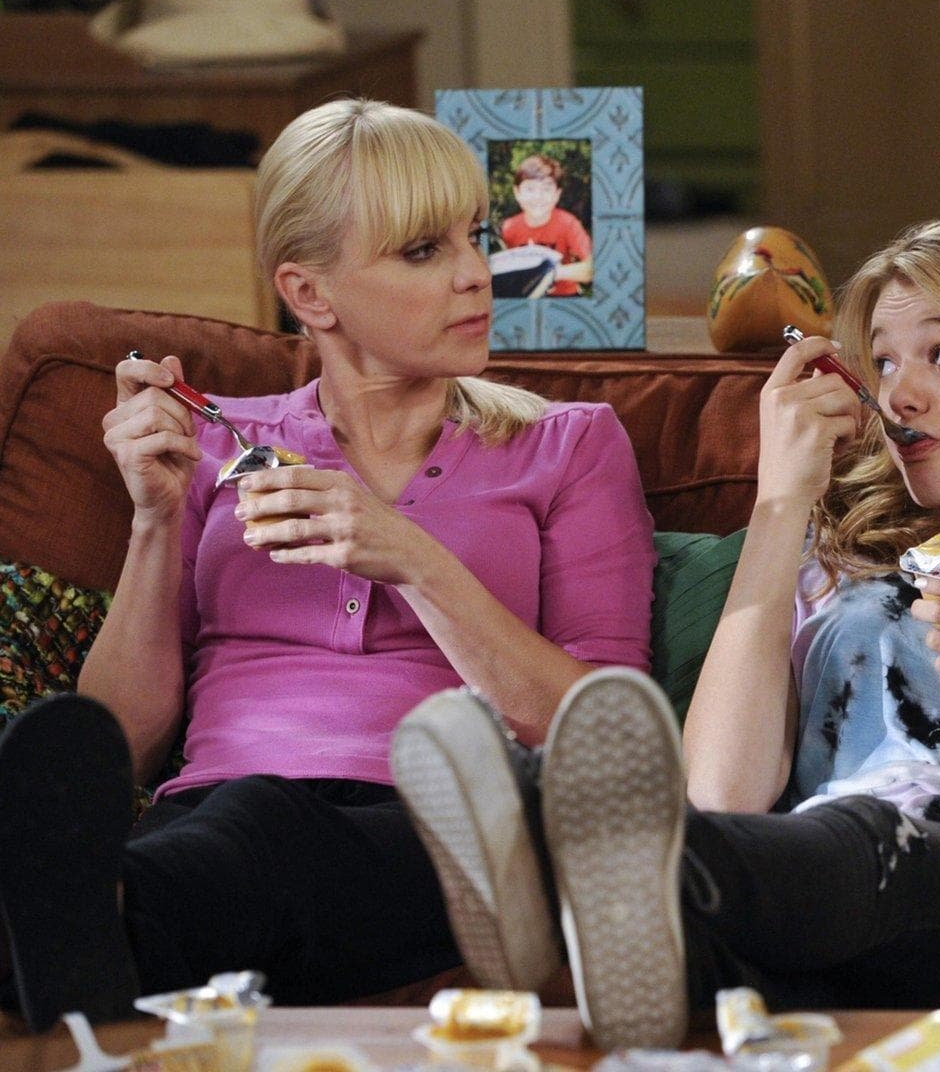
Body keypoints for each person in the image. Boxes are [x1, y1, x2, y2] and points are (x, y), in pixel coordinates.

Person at [392, 217, 940, 1049]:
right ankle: (591, 887)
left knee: (873, 845)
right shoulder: (831, 556)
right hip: (814, 891)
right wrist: (782, 505)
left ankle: (558, 843)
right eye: (883, 361)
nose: (899, 393)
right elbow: (720, 796)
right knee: (735, 959)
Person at [0, 98, 655, 1028]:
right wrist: (153, 519)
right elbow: (121, 745)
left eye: (474, 237)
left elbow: (604, 735)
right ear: (309, 295)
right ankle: (87, 928)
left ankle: (82, 927)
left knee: (260, 834)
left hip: (447, 829)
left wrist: (415, 560)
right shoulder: (217, 442)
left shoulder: (570, 445)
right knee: (232, 834)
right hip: (205, 814)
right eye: (424, 251)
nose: (477, 273)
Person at [497, 153, 593, 296]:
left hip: (564, 296)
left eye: (546, 189)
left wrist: (550, 273)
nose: (538, 196)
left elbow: (592, 267)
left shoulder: (568, 223)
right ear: (517, 193)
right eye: (530, 189)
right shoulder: (509, 228)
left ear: (557, 194)